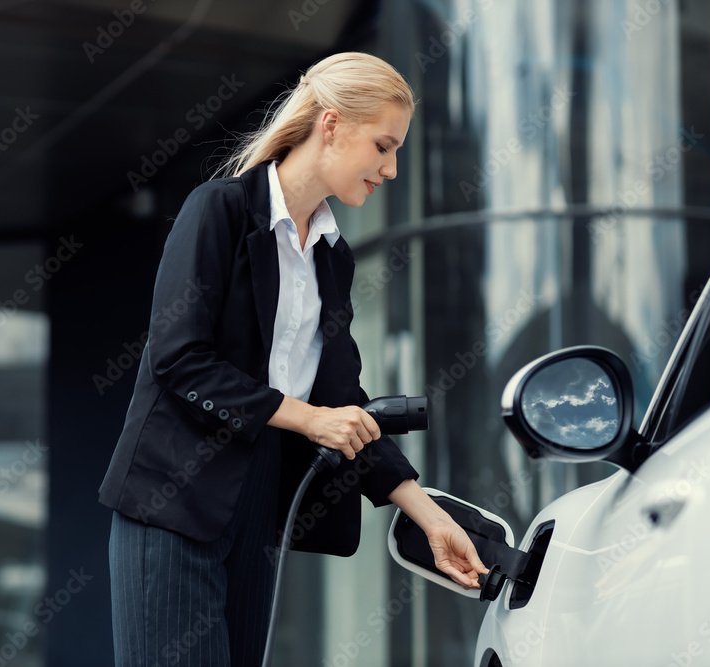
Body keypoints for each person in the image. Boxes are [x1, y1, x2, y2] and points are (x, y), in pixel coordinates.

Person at [99, 51, 488, 666]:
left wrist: (429, 517)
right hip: (173, 501)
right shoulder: (219, 209)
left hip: (257, 510)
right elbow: (179, 360)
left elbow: (344, 403)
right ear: (330, 125)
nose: (390, 169)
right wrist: (308, 418)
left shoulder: (332, 256)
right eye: (383, 146)